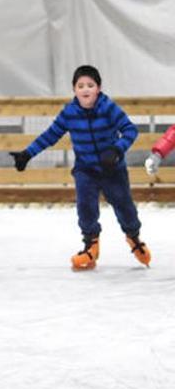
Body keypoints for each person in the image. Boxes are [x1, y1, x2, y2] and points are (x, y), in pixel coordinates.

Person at [9, 65, 151, 270]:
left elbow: (130, 130)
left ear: (98, 88)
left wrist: (117, 149)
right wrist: (27, 153)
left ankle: (134, 238)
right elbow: (51, 135)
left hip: (112, 169)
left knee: (124, 206)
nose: (85, 89)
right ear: (74, 89)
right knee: (85, 207)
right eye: (80, 85)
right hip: (86, 169)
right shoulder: (69, 113)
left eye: (90, 85)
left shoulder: (108, 107)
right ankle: (90, 247)